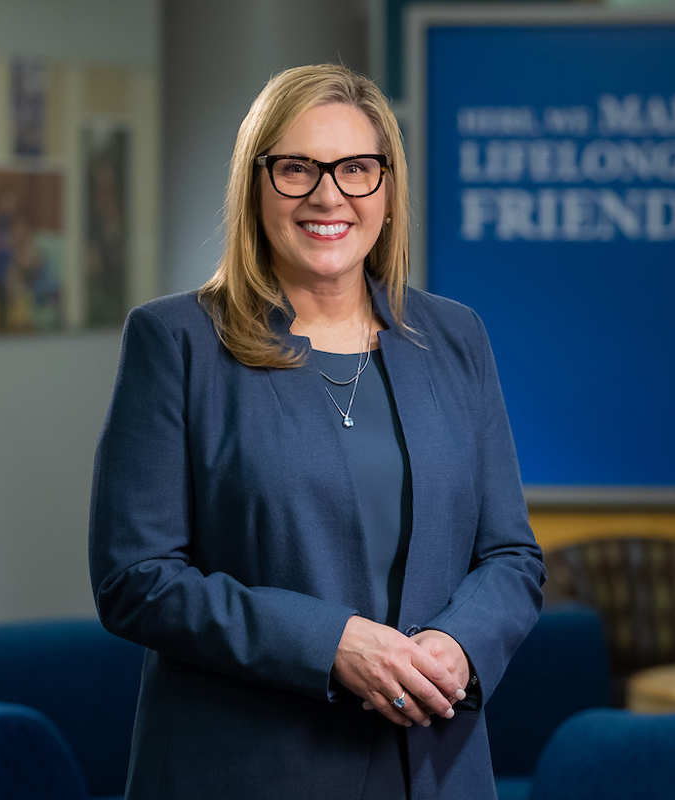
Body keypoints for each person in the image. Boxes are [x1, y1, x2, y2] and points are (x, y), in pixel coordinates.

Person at [88, 64, 545, 800]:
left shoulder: (455, 336)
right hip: (251, 771)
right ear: (256, 187)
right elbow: (133, 580)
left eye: (357, 169)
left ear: (387, 191)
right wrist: (330, 644)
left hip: (433, 767)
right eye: (297, 168)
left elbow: (510, 555)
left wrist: (461, 645)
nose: (328, 195)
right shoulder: (175, 342)